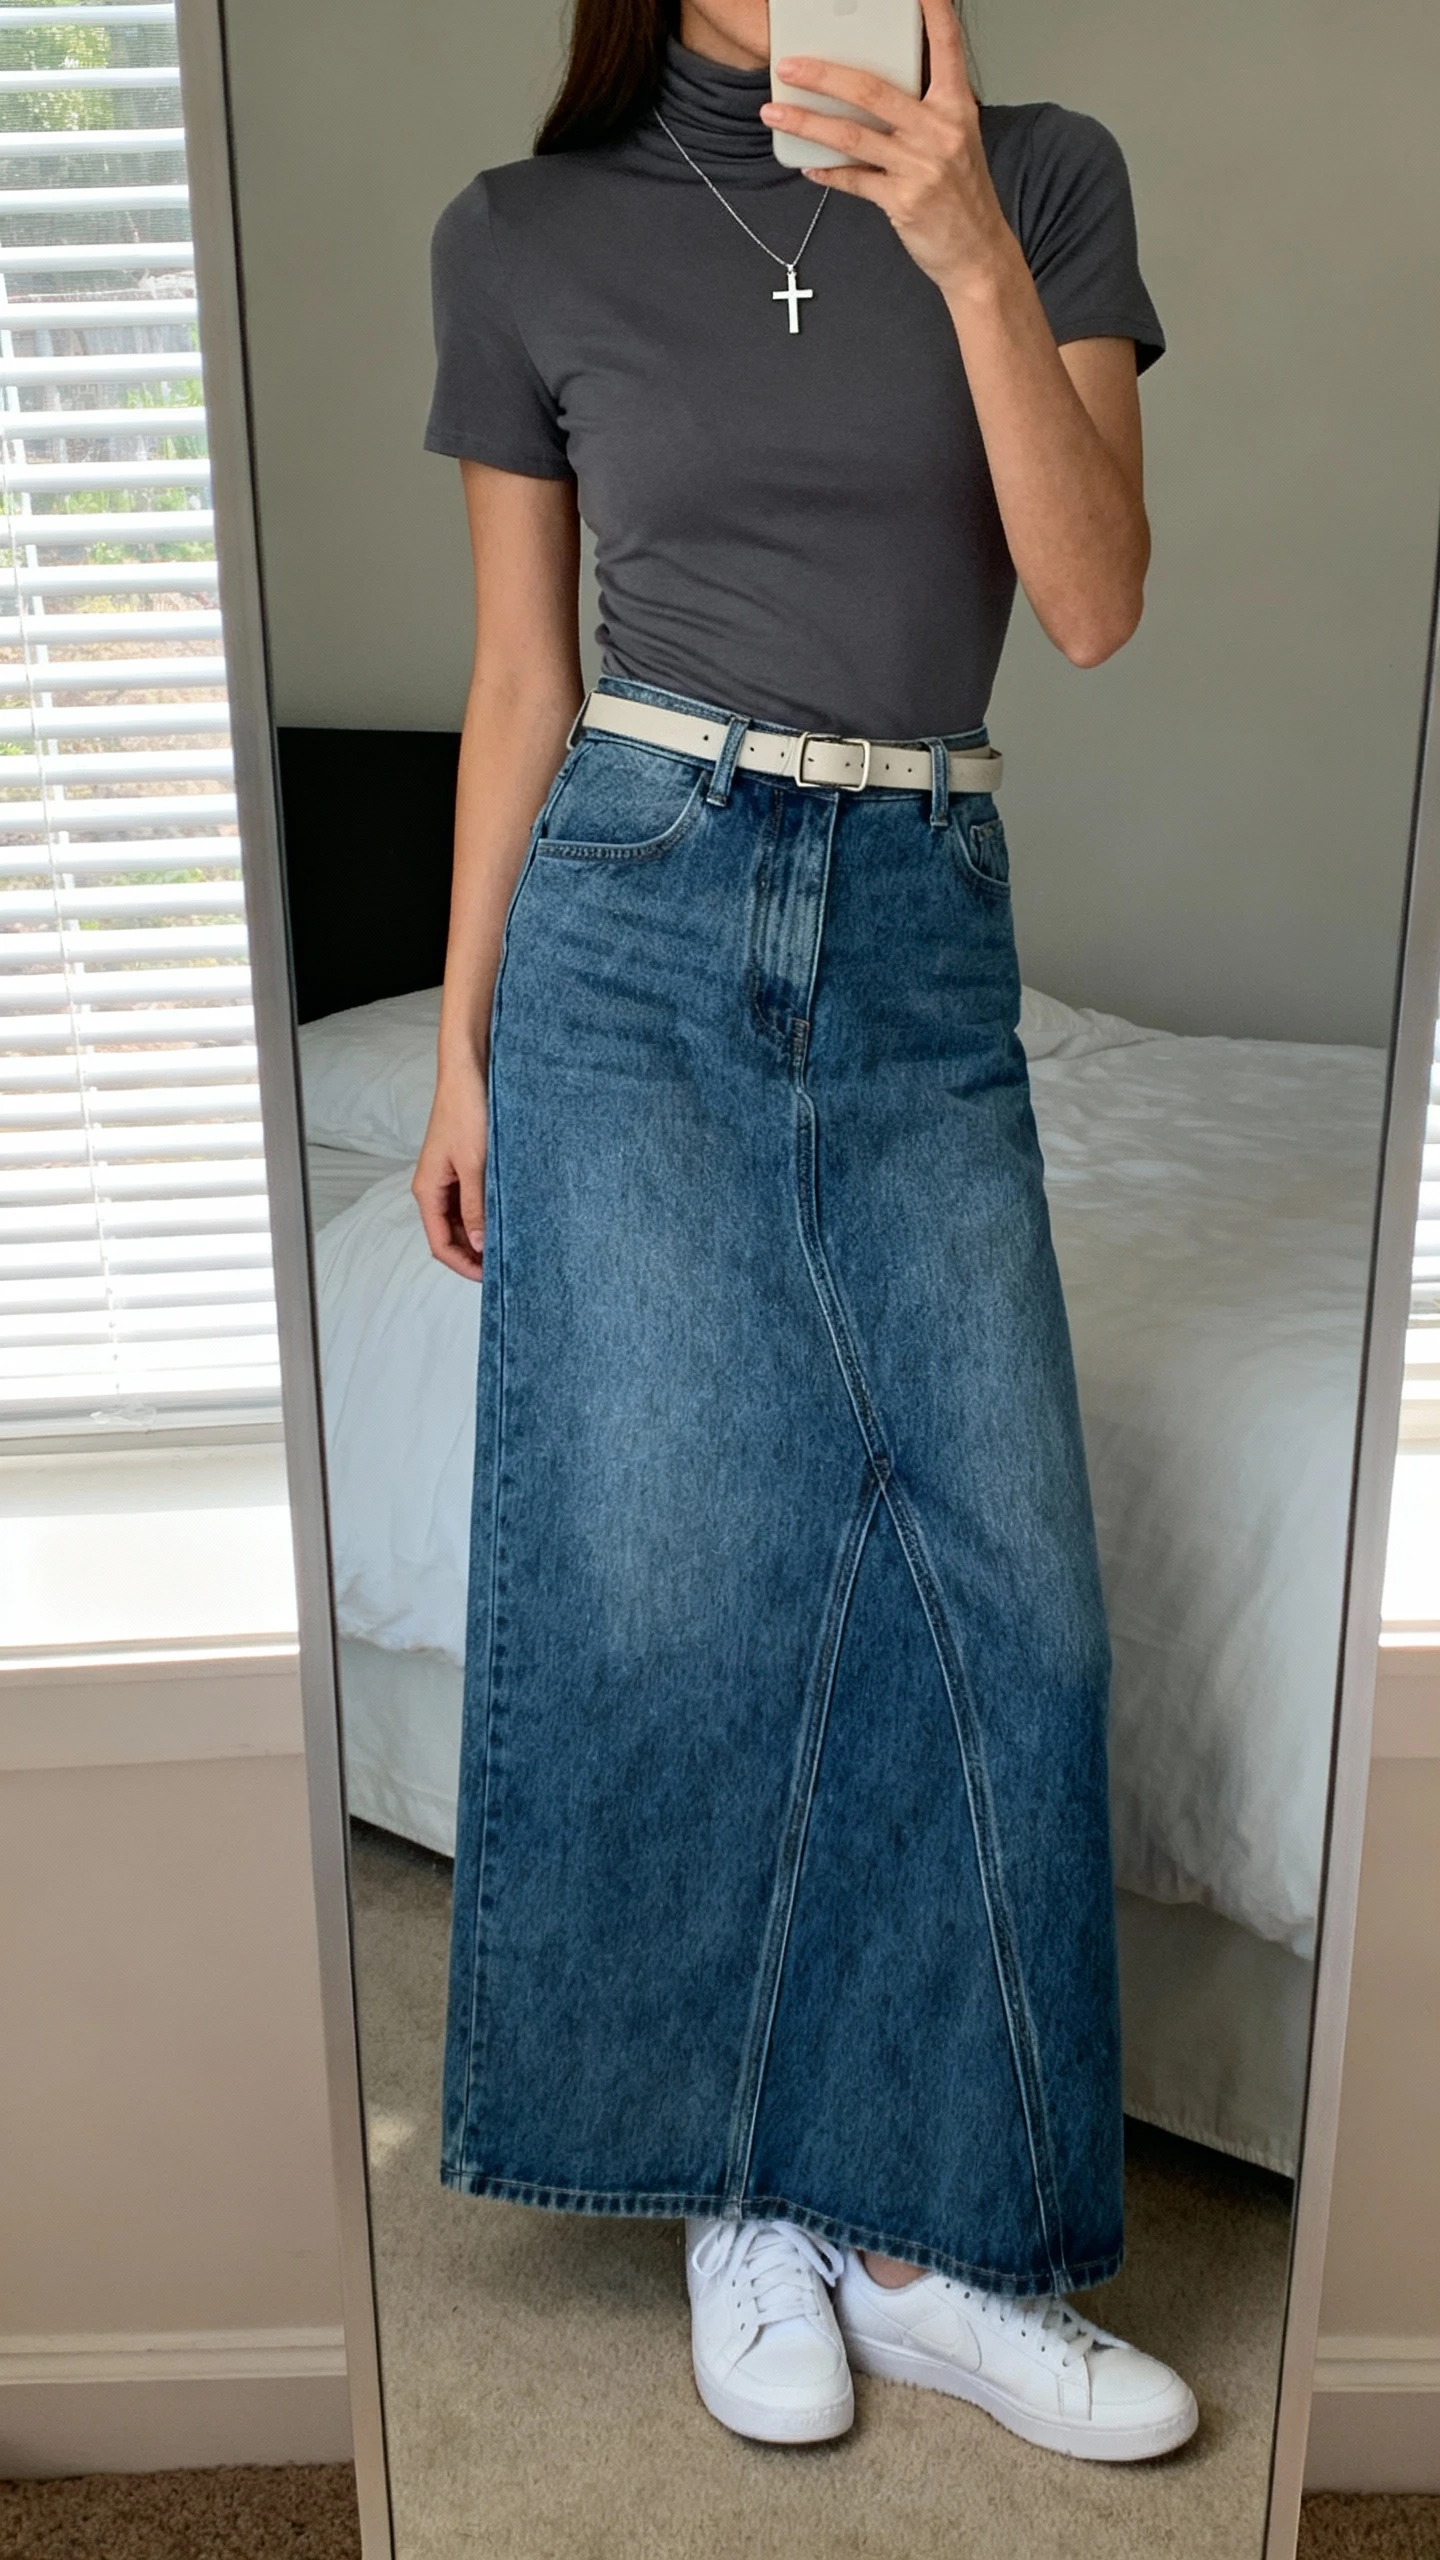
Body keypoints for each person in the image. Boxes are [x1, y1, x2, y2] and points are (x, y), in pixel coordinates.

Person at [414, 0, 1198, 2460]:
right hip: (635, 909)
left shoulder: (1040, 173)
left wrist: (961, 250)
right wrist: (461, 1042)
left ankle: (937, 2239)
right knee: (680, 1584)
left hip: (924, 910)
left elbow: (1094, 604)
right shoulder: (522, 233)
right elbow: (520, 676)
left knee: (1018, 1609)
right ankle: (747, 2194)